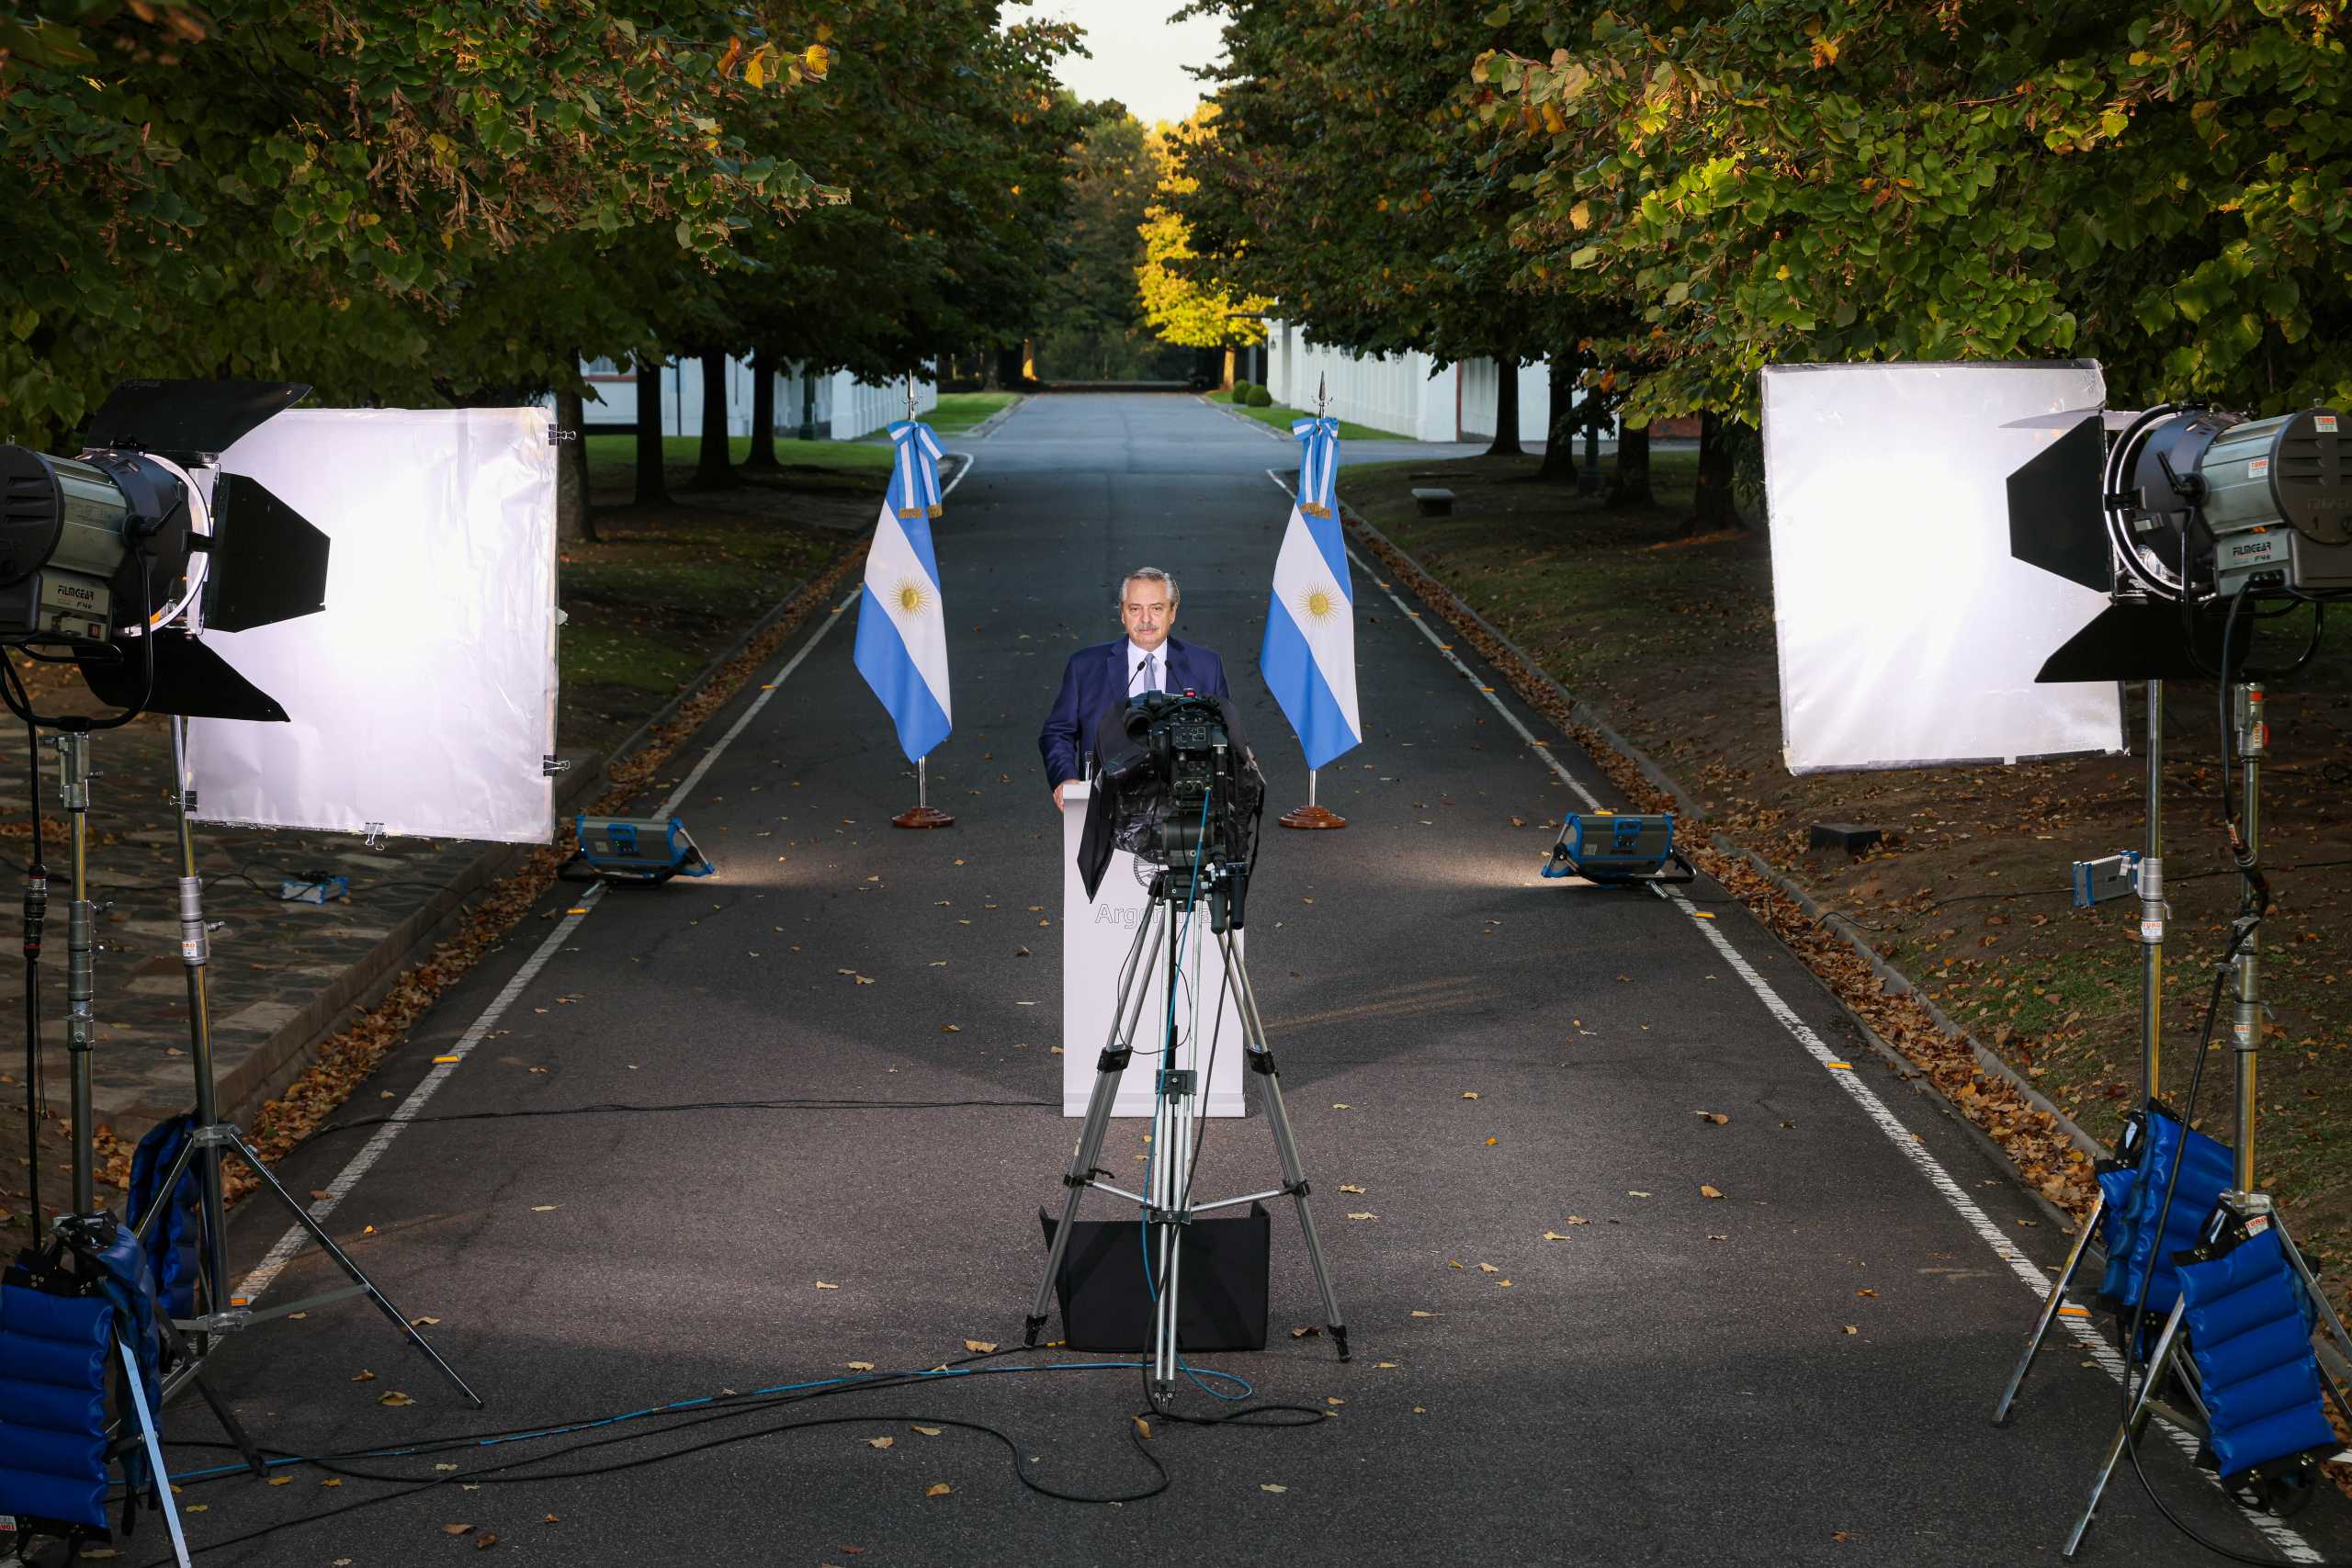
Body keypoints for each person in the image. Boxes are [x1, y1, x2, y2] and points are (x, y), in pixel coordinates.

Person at [1039, 567, 1231, 809]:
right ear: (1122, 614)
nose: (1146, 620)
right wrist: (1065, 778)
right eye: (1135, 609)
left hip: (1185, 806)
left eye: (1156, 608)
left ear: (1172, 612)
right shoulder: (1084, 666)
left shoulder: (1206, 666)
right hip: (1103, 804)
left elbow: (1227, 736)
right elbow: (1057, 733)